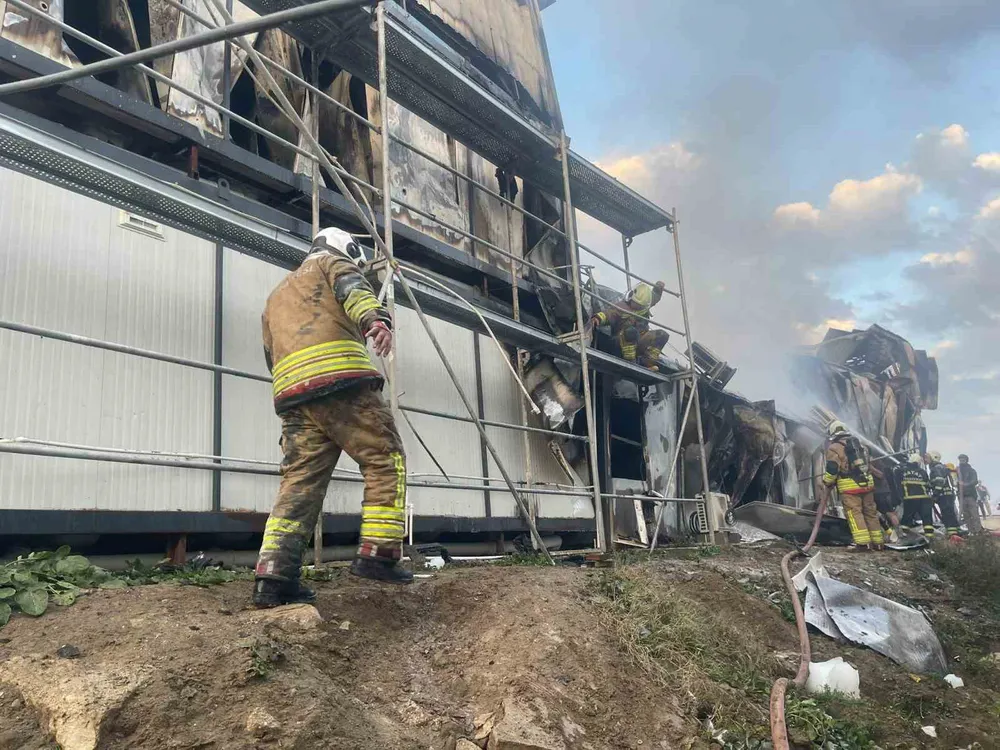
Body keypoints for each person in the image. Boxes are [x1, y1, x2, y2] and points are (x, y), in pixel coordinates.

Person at [253, 227, 412, 608]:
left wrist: (295, 392)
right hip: (341, 382)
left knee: (299, 484)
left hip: (294, 397)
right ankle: (378, 555)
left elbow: (270, 354)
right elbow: (353, 290)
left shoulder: (275, 296)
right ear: (347, 249)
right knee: (385, 458)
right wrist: (375, 321)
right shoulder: (332, 263)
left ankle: (273, 577)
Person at [822, 421, 885, 551]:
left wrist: (827, 482)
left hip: (850, 487)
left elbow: (832, 469)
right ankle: (878, 543)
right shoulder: (861, 446)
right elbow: (867, 465)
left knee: (854, 513)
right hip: (867, 484)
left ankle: (863, 544)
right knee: (871, 513)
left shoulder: (834, 448)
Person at [590, 281, 669, 371]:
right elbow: (609, 314)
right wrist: (598, 318)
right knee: (631, 332)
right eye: (635, 303)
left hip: (638, 341)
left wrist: (658, 289)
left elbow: (654, 297)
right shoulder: (622, 307)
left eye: (640, 306)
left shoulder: (646, 303)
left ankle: (646, 364)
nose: (637, 307)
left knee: (662, 335)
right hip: (620, 341)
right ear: (631, 298)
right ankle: (631, 364)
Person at [897, 453, 935, 540]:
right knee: (927, 518)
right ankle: (930, 538)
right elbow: (928, 485)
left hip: (910, 498)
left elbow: (897, 483)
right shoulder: (923, 472)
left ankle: (904, 536)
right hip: (924, 498)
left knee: (907, 517)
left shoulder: (902, 471)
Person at [926, 451, 961, 537]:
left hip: (944, 495)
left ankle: (952, 534)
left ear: (933, 458)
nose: (925, 459)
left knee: (947, 514)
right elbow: (936, 481)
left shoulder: (937, 468)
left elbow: (939, 481)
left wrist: (935, 495)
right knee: (950, 513)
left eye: (927, 457)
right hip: (947, 495)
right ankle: (956, 531)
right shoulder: (939, 467)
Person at [956, 454, 984, 533]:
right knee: (966, 515)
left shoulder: (971, 470)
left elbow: (974, 481)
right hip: (961, 496)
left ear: (966, 460)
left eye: (963, 459)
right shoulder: (957, 471)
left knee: (974, 514)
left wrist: (965, 484)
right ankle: (971, 531)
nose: (962, 460)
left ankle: (978, 531)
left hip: (970, 495)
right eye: (960, 459)